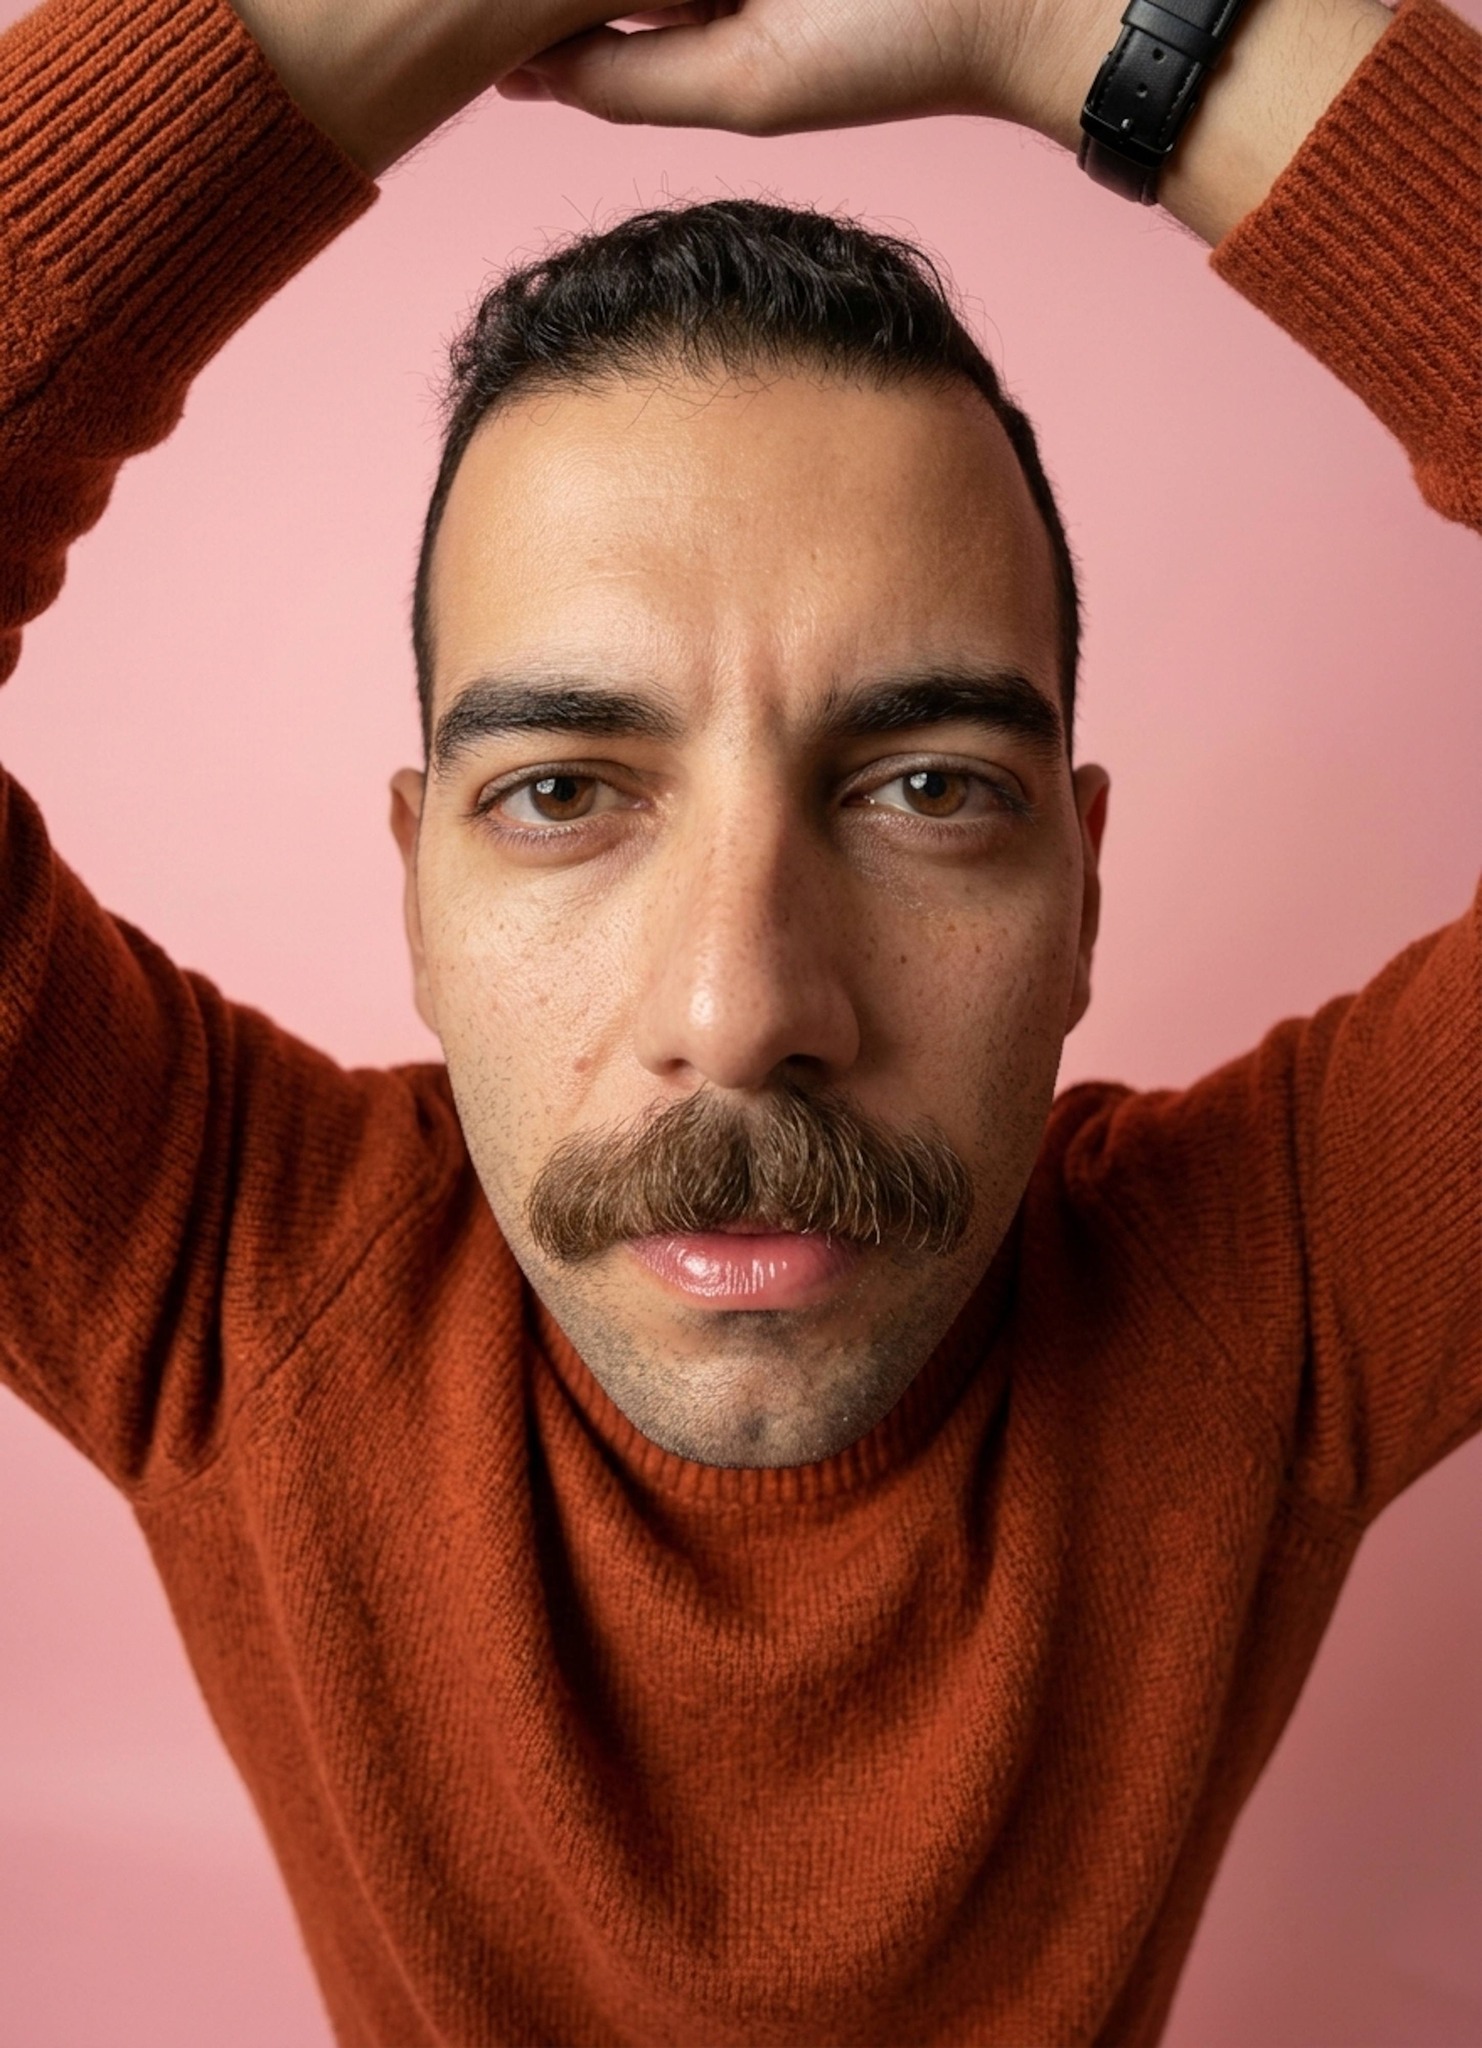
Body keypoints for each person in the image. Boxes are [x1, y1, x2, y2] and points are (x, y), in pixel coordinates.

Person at [0, 0, 1476, 2031]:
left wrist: (1084, 25)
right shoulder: (239, 1285)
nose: (743, 1005)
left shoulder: (1265, 1296)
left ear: (1085, 888)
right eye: (565, 793)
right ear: (418, 881)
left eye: (929, 788)